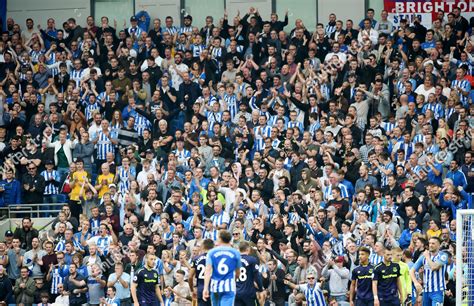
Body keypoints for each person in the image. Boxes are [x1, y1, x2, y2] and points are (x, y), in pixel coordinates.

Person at [203, 230, 242, 306]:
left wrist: (205, 288)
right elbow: (238, 272)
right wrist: (234, 279)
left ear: (220, 238)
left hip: (215, 286)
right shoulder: (235, 252)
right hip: (228, 286)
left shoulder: (211, 252)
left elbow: (208, 271)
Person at [409, 236, 448, 306]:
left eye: (433, 243)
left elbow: (434, 267)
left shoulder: (443, 255)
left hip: (438, 291)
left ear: (439, 245)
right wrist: (416, 282)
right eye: (430, 243)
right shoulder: (423, 257)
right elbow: (411, 270)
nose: (430, 245)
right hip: (426, 291)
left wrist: (427, 257)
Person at [189, 238, 214, 306]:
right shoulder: (215, 258)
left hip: (201, 288)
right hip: (213, 288)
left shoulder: (196, 259)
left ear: (203, 246)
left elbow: (190, 276)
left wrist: (192, 290)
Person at [235, 241, 261, 306]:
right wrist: (260, 288)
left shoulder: (234, 260)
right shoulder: (252, 259)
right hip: (248, 292)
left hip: (236, 292)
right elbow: (257, 276)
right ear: (248, 249)